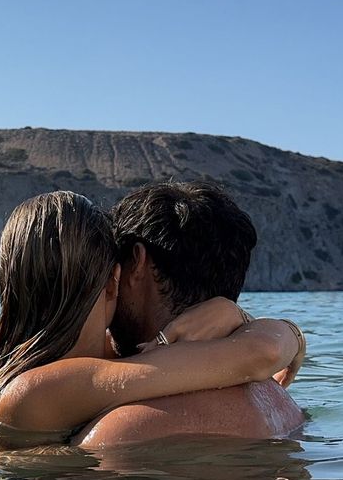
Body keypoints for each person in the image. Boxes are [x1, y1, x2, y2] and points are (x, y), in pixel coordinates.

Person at [0, 190, 304, 449]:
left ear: (134, 265)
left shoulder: (49, 388)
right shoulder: (272, 398)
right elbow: (263, 352)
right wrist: (277, 329)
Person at [75, 181, 305, 450]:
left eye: (111, 267)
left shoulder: (127, 429)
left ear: (137, 262)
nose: (106, 285)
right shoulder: (278, 399)